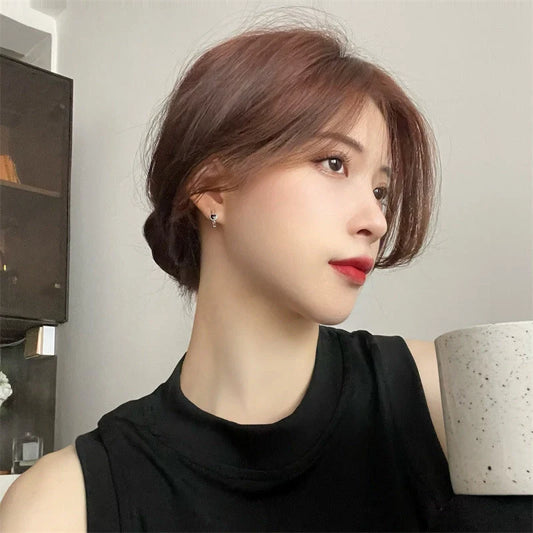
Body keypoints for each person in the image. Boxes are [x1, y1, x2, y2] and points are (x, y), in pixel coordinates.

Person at [1, 19, 530, 533]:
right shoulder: (63, 506)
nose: (376, 220)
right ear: (213, 188)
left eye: (381, 190)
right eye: (334, 163)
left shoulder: (455, 390)